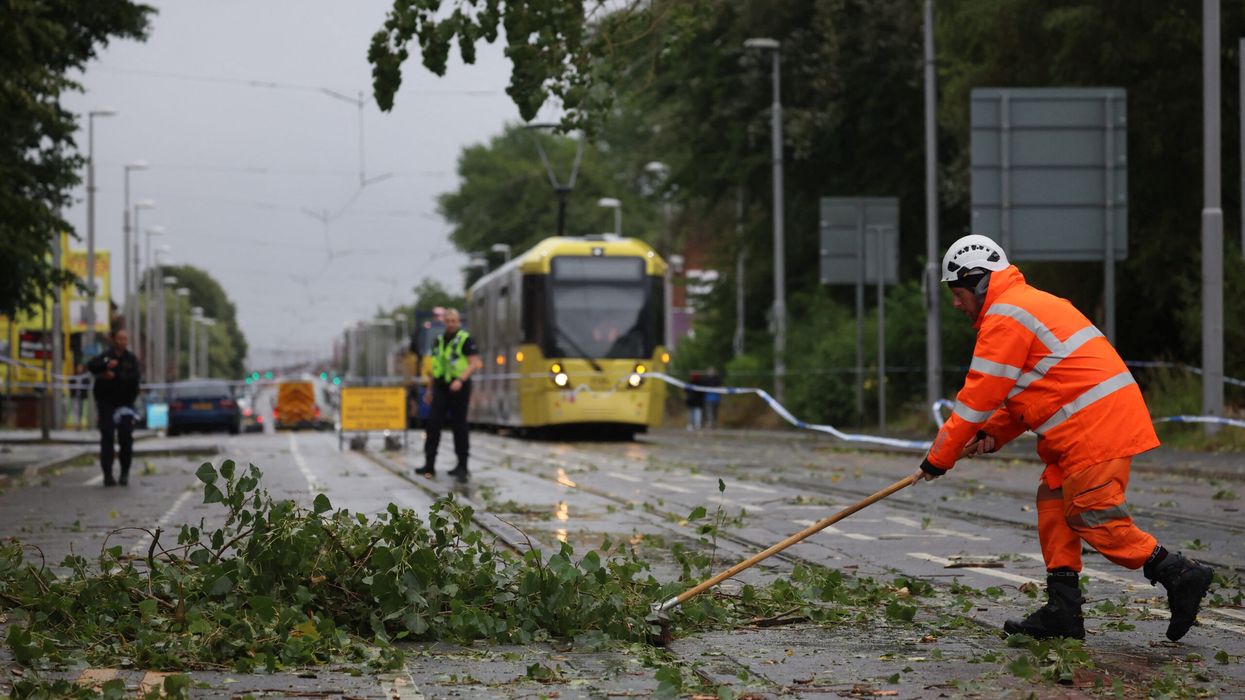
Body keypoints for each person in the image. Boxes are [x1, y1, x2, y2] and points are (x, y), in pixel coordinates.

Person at [913, 234, 1213, 642]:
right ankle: (1063, 611)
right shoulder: (1026, 306)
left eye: (958, 291)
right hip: (1081, 429)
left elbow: (976, 398)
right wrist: (989, 434)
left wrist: (938, 458)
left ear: (979, 281)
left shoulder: (1007, 316)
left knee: (1093, 514)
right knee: (1054, 502)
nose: (955, 302)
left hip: (1095, 427)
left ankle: (1179, 573)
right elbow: (1022, 397)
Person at [415, 309, 482, 482]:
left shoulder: (465, 339)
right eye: (448, 320)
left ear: (458, 322)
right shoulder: (438, 341)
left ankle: (462, 466)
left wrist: (460, 380)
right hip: (440, 386)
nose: (451, 323)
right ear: (444, 321)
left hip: (459, 386)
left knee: (459, 425)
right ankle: (429, 464)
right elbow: (434, 368)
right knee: (433, 424)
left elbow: (474, 363)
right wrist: (429, 390)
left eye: (454, 320)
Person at [86, 329, 141, 487]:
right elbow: (91, 365)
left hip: (125, 403)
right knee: (107, 436)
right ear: (115, 340)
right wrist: (105, 367)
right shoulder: (106, 356)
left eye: (125, 339)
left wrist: (116, 375)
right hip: (106, 402)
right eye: (120, 338)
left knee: (125, 437)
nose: (123, 341)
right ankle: (107, 474)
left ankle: (124, 473)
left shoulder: (131, 359)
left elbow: (135, 378)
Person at [69, 363, 89, 428]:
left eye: (80, 368)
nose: (79, 369)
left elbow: (87, 384)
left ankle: (80, 421)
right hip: (75, 395)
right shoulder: (73, 376)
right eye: (78, 368)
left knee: (81, 409)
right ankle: (76, 422)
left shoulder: (85, 377)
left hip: (82, 396)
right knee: (75, 408)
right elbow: (70, 383)